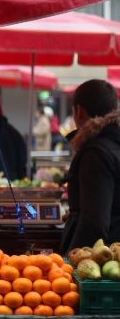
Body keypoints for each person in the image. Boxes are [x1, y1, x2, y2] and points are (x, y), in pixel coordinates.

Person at [61, 79, 120, 252]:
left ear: (79, 111)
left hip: (102, 260)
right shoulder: (114, 144)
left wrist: (71, 262)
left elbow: (94, 223)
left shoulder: (96, 154)